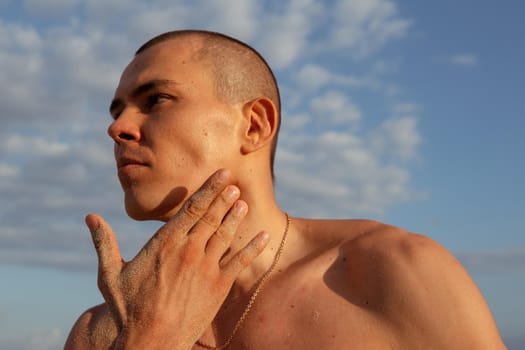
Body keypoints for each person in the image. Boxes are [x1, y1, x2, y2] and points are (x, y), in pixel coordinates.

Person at [64, 30, 506, 349]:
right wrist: (151, 339)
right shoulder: (98, 334)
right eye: (118, 110)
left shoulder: (390, 275)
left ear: (254, 125)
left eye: (155, 99)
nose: (118, 127)